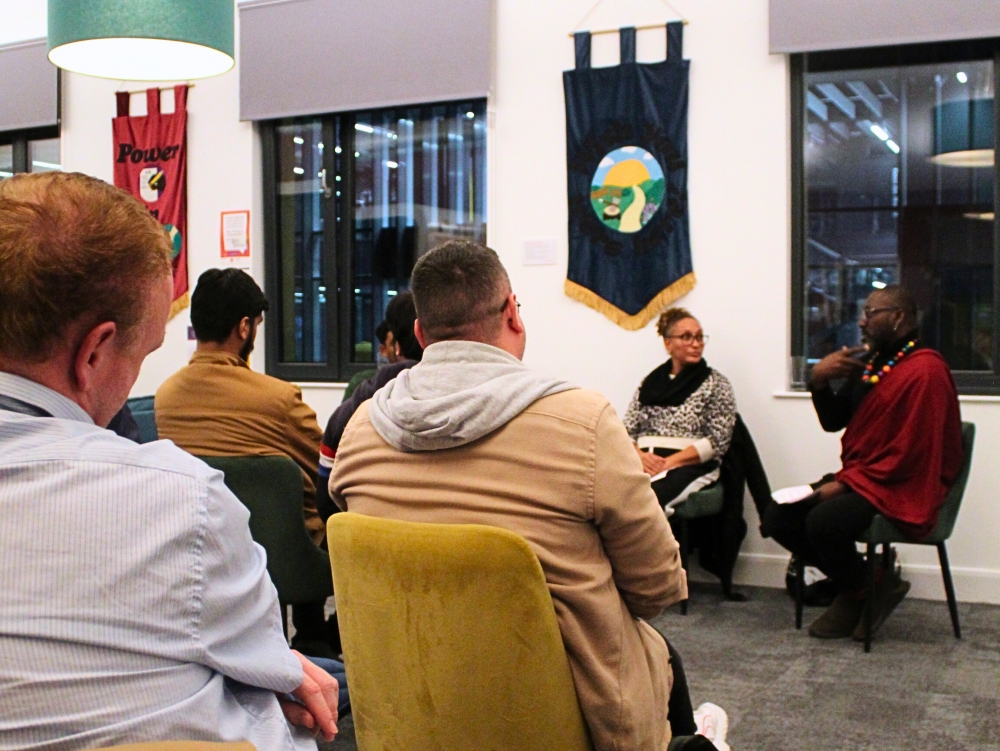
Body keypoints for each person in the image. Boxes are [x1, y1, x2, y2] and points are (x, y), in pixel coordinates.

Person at [330, 240, 729, 751]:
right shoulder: (583, 422)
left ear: (419, 333)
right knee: (659, 656)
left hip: (410, 703)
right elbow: (655, 587)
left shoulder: (360, 432)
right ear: (513, 314)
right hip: (559, 715)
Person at [0, 172, 343, 749]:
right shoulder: (185, 498)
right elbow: (269, 676)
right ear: (93, 352)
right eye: (141, 352)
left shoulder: (169, 398)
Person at [762, 285, 963, 639]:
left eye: (871, 313)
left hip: (904, 482)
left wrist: (845, 485)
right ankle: (867, 585)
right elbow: (834, 421)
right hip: (867, 476)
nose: (861, 321)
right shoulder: (876, 363)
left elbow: (915, 453)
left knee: (825, 521)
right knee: (779, 514)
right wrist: (820, 381)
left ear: (898, 316)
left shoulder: (925, 370)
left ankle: (856, 590)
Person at [155, 268, 335, 657]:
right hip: (287, 558)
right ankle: (314, 636)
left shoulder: (165, 398)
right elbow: (326, 468)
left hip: (203, 553)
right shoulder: (278, 398)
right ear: (243, 328)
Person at [316, 290, 423, 521]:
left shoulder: (347, 414)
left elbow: (326, 504)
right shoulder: (488, 399)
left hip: (365, 549)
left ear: (394, 342)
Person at [623, 308, 738, 512]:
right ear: (668, 343)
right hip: (643, 463)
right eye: (686, 337)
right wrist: (639, 456)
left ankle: (652, 544)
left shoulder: (715, 384)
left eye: (699, 337)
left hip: (689, 465)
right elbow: (626, 431)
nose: (696, 344)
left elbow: (717, 441)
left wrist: (667, 463)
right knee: (606, 496)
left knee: (648, 502)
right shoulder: (649, 383)